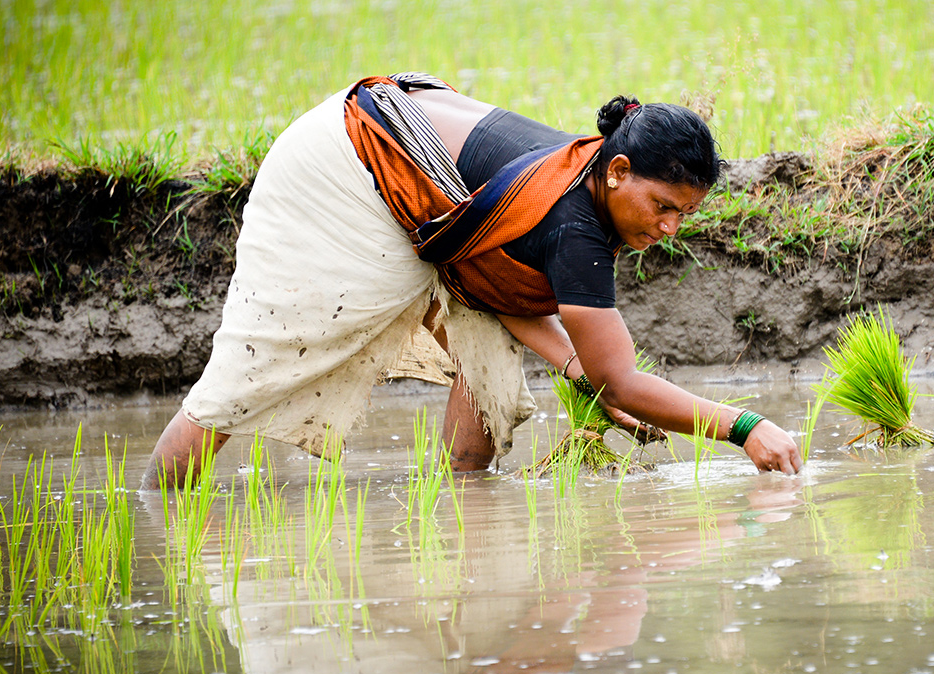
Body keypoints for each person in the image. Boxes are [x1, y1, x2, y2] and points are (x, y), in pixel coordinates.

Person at [144, 73, 801, 487]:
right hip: (343, 166)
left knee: (487, 369)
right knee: (251, 374)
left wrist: (579, 371)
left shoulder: (588, 178)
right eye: (663, 207)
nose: (670, 229)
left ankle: (464, 504)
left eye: (684, 214)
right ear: (620, 170)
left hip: (402, 162)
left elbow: (495, 279)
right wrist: (746, 427)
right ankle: (158, 511)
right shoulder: (574, 225)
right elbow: (619, 379)